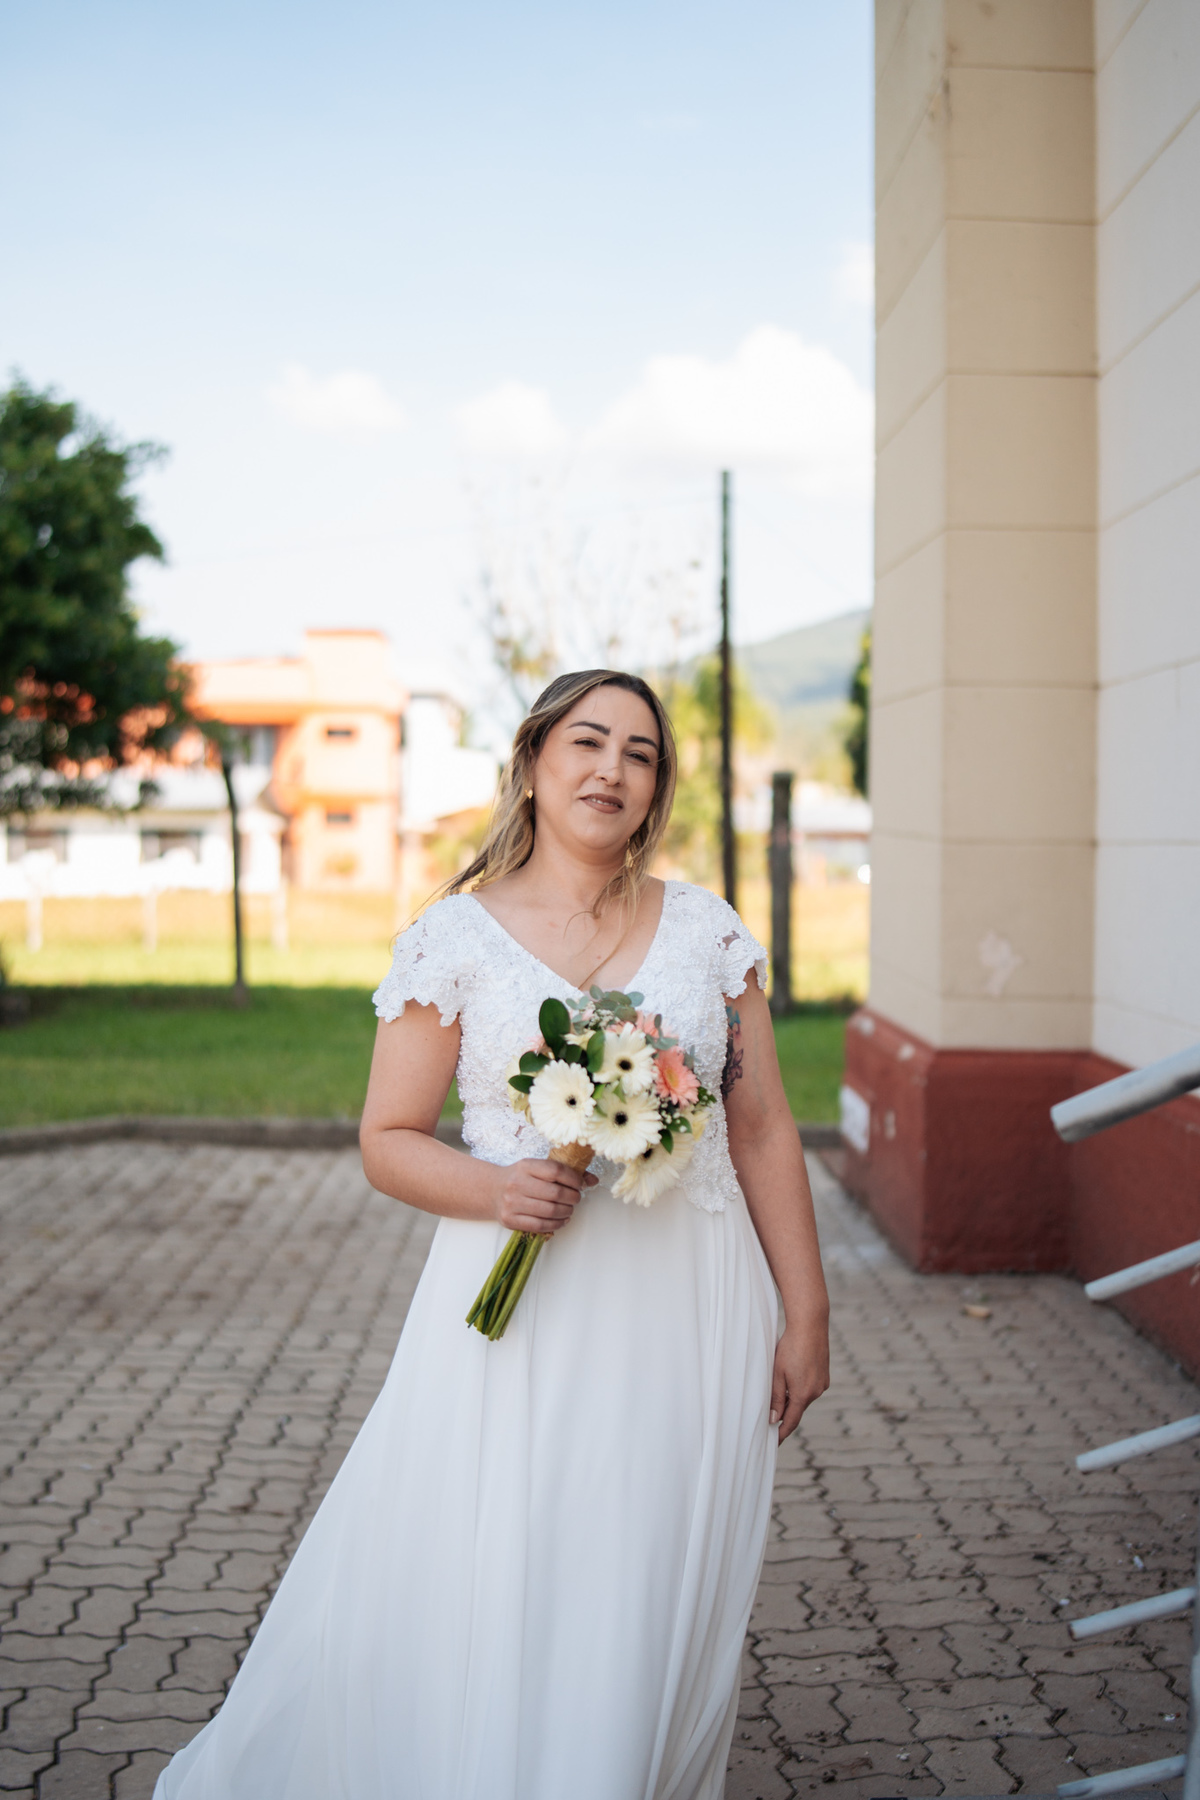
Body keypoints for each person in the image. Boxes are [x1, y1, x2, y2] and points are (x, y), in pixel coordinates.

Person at [154, 669, 829, 1800]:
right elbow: (387, 1138)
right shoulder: (453, 941)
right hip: (521, 1321)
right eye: (587, 742)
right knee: (508, 1562)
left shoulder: (707, 933)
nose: (612, 769)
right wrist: (497, 1193)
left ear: (657, 788)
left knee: (648, 1572)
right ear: (531, 761)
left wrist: (806, 1310)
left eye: (641, 754)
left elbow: (759, 1129)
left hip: (690, 1308)